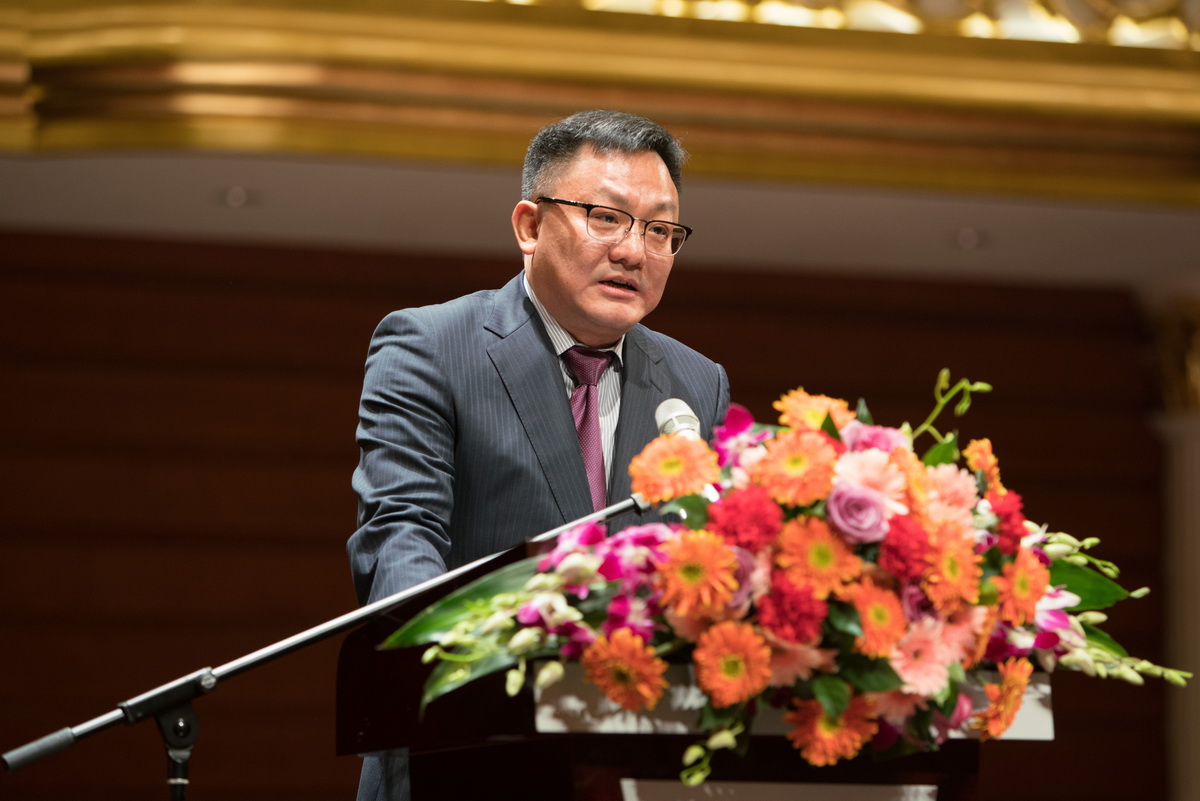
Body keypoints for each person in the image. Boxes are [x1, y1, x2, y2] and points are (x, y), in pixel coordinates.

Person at [347, 109, 730, 800]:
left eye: (660, 231)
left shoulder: (696, 383)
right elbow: (400, 536)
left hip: (642, 765)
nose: (634, 252)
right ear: (529, 226)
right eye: (606, 218)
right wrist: (464, 663)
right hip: (464, 757)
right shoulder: (431, 347)